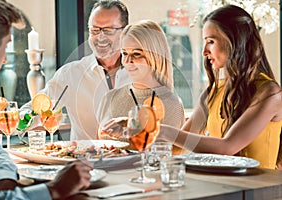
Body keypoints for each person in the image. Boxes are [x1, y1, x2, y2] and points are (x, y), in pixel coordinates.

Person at [0, 0, 93, 199]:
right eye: (7, 46)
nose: (5, 59)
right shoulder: (71, 72)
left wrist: (4, 179)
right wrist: (54, 190)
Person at [155, 5, 282, 169]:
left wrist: (164, 131)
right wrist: (129, 143)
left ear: (236, 41)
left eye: (211, 41)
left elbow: (227, 147)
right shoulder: (212, 93)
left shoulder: (270, 93)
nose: (204, 52)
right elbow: (178, 146)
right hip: (223, 187)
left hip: (256, 192)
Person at [20, 0, 131, 140]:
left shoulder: (142, 72)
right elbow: (32, 110)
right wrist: (20, 120)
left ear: (125, 32)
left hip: (133, 160)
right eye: (94, 30)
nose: (100, 37)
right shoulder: (70, 74)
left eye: (108, 30)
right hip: (84, 160)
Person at [97, 20, 185, 142]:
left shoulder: (171, 104)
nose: (127, 61)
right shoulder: (109, 98)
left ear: (155, 56)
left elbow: (163, 153)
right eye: (124, 53)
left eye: (137, 54)